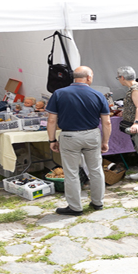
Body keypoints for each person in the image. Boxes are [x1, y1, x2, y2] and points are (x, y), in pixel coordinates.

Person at [46, 66, 112, 216]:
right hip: (92, 135)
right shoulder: (98, 95)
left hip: (69, 136)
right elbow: (107, 122)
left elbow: (51, 120)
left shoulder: (58, 94)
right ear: (88, 78)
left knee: (71, 172)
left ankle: (75, 207)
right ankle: (98, 202)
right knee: (96, 170)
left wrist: (52, 139)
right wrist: (105, 141)